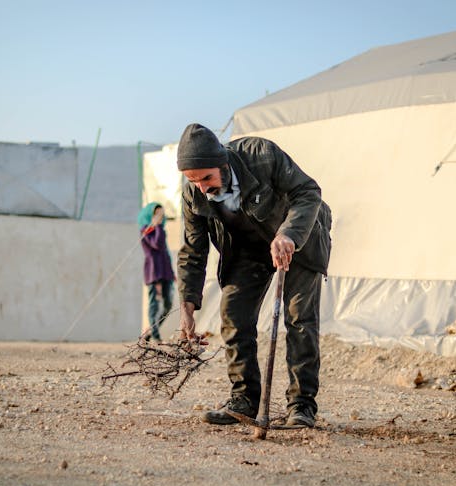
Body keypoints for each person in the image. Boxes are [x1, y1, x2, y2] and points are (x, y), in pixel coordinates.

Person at [175, 123, 332, 428]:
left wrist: (288, 234)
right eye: (193, 180)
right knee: (233, 314)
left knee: (299, 317)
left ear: (223, 164)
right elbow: (193, 250)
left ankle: (301, 405)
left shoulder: (261, 156)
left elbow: (308, 191)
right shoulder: (193, 194)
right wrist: (187, 306)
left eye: (207, 178)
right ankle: (244, 400)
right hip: (248, 250)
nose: (202, 187)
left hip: (299, 237)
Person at [138, 202, 175, 342]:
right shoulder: (145, 230)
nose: (160, 217)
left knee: (168, 304)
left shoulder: (161, 230)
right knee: (154, 303)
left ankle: (152, 330)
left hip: (165, 271)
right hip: (154, 271)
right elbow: (156, 244)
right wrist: (157, 225)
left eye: (161, 214)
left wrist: (172, 273)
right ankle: (155, 335)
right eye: (157, 213)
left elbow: (165, 252)